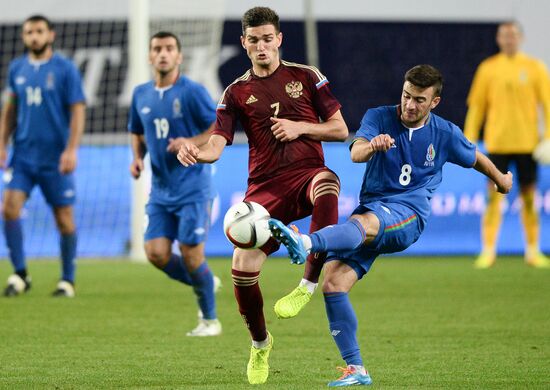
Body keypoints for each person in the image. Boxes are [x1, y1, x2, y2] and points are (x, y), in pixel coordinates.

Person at [268, 65, 513, 387]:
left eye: (419, 100)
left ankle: (307, 244)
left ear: (434, 102)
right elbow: (356, 153)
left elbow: (474, 156)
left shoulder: (444, 133)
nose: (410, 105)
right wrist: (372, 146)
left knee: (362, 223)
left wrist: (502, 180)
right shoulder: (379, 117)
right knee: (334, 284)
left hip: (410, 213)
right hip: (374, 208)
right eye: (406, 96)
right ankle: (356, 369)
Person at [177, 7, 348, 384]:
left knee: (328, 182)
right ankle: (259, 344)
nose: (261, 46)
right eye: (253, 40)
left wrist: (299, 127)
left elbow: (340, 129)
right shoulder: (236, 91)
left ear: (279, 40)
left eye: (267, 39)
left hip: (305, 175)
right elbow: (216, 145)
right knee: (243, 266)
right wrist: (195, 152)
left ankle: (307, 284)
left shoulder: (306, 76)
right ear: (244, 43)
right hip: (265, 192)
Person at [128, 31, 221, 337]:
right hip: (162, 190)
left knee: (193, 255)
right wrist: (137, 158)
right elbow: (137, 131)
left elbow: (217, 126)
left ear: (179, 57)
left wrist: (190, 141)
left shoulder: (192, 92)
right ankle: (206, 281)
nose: (163, 54)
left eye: (169, 49)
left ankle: (210, 321)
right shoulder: (141, 93)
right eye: (157, 49)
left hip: (193, 187)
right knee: (155, 253)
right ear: (150, 56)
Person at [0, 15, 86, 297]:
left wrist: (71, 149)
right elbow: (10, 109)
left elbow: (77, 111)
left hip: (55, 158)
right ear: (24, 37)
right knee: (9, 208)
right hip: (23, 155)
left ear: (51, 35)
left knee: (64, 218)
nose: (33, 36)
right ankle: (21, 274)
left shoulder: (64, 69)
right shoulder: (17, 68)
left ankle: (68, 280)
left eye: (39, 31)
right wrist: (2, 144)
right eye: (28, 32)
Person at [464, 21, 550, 269]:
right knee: (493, 199)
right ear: (498, 39)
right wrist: (469, 137)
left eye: (512, 35)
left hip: (528, 144)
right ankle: (488, 250)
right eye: (504, 35)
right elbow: (477, 106)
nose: (508, 39)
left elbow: (547, 104)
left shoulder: (535, 68)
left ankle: (533, 251)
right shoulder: (488, 69)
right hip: (498, 143)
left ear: (520, 38)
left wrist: (548, 137)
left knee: (530, 199)